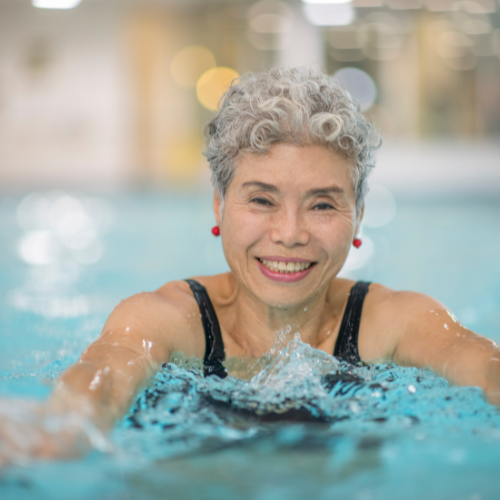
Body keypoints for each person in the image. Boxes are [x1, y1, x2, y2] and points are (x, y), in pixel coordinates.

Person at [2, 66, 500, 462]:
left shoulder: (394, 322)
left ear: (359, 216)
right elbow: (100, 385)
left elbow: (481, 364)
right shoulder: (167, 322)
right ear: (218, 207)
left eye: (323, 204)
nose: (289, 233)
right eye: (262, 200)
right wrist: (52, 433)